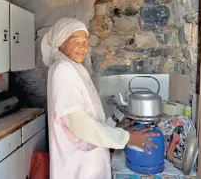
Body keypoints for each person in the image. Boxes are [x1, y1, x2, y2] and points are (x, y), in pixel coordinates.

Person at [41, 18, 159, 179]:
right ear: (60, 43)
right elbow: (79, 124)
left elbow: (88, 115)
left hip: (87, 162)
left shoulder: (74, 67)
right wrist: (126, 137)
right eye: (75, 41)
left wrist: (115, 127)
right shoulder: (62, 70)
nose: (82, 46)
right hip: (78, 167)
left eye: (85, 41)